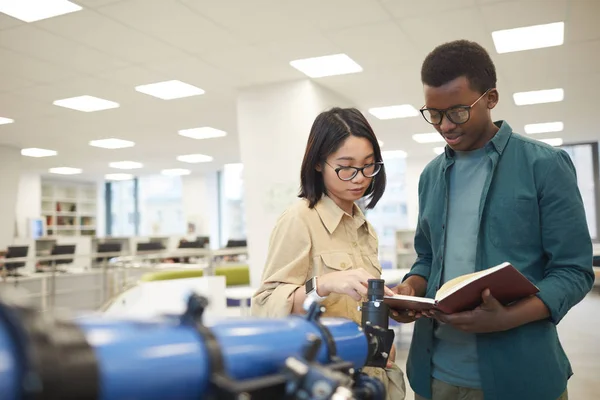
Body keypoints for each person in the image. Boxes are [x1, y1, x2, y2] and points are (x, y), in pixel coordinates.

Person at [391, 39, 595, 400]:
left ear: (491, 98)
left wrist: (507, 318)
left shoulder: (544, 165)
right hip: (433, 375)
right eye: (433, 114)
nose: (444, 126)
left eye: (456, 112)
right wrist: (411, 290)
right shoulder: (431, 176)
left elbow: (573, 270)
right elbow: (426, 257)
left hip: (521, 375)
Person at [252, 107, 406, 400]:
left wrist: (380, 340)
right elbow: (264, 305)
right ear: (319, 164)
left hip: (368, 377)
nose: (359, 178)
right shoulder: (299, 219)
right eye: (346, 166)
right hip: (323, 381)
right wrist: (322, 285)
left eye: (369, 165)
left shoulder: (364, 227)